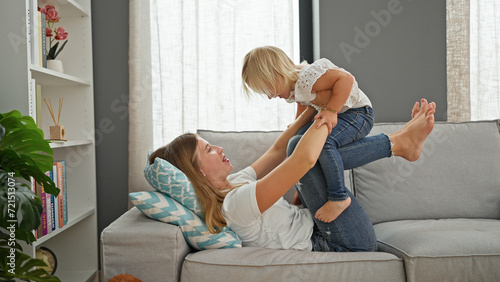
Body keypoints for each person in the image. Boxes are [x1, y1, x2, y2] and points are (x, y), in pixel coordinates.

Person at [149, 97, 436, 252]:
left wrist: (308, 111)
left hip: (322, 223)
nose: (220, 148)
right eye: (210, 149)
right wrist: (329, 109)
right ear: (198, 171)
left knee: (297, 142)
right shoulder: (234, 205)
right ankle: (398, 143)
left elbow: (276, 151)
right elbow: (301, 161)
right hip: (341, 242)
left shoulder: (235, 184)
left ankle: (400, 141)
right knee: (300, 146)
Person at [242, 45, 373, 223]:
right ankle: (307, 185)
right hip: (343, 114)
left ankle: (339, 196)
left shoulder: (307, 78)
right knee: (300, 142)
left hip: (358, 114)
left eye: (268, 89)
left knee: (323, 144)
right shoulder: (295, 86)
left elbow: (345, 79)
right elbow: (304, 107)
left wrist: (331, 110)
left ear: (277, 74)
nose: (270, 97)